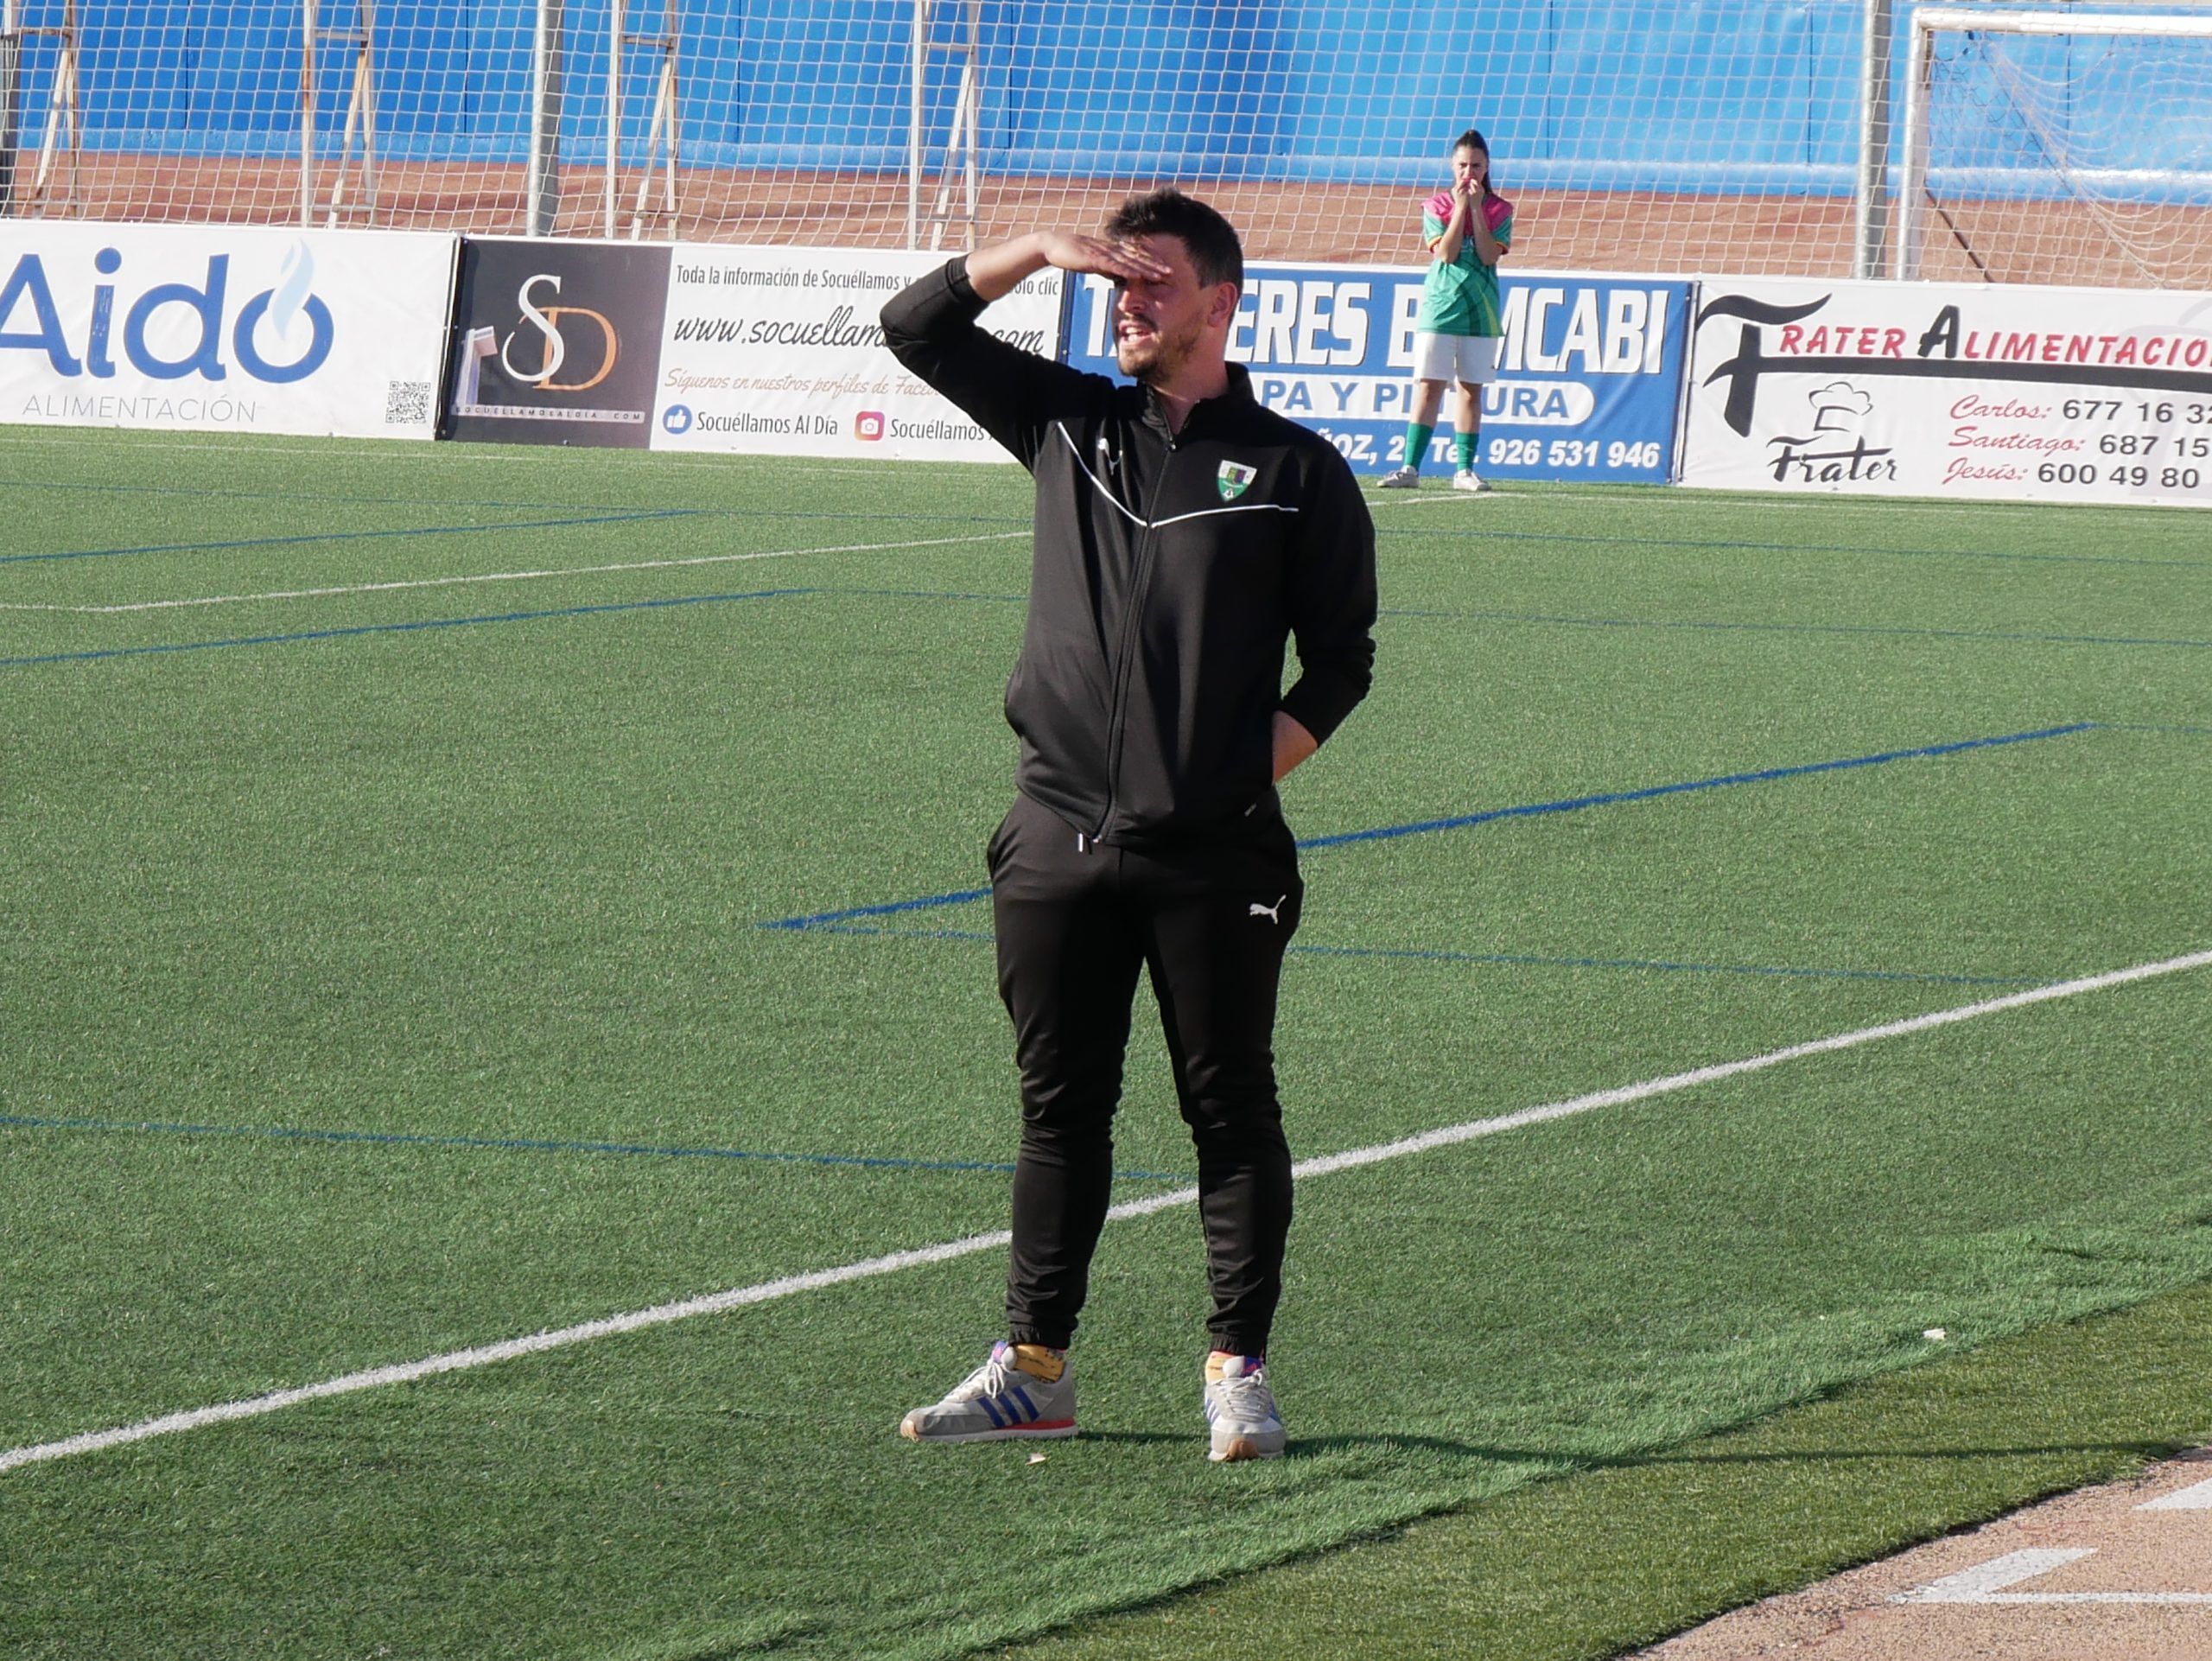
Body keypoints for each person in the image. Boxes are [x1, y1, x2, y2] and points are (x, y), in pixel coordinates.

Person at [879, 189, 1378, 1463]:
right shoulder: (1068, 422)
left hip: (1213, 854)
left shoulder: (1296, 472)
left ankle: (1237, 1372)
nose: (1126, 302)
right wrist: (1035, 250)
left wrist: (1229, 777)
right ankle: (1033, 1368)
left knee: (1229, 1109)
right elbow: (915, 327)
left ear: (1221, 301)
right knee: (1059, 1111)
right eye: (1113, 281)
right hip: (1053, 836)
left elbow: (1340, 663)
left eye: (1153, 281)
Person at [1379, 127, 1514, 493]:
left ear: (1487, 168)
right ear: (1452, 167)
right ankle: (1410, 468)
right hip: (1440, 309)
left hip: (1481, 312)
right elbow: (1447, 253)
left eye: (1476, 166)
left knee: (1471, 390)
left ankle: (1464, 470)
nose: (1469, 173)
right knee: (1429, 387)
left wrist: (1476, 208)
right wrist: (1460, 209)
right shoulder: (1435, 206)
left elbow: (1488, 255)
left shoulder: (1499, 209)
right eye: (1463, 165)